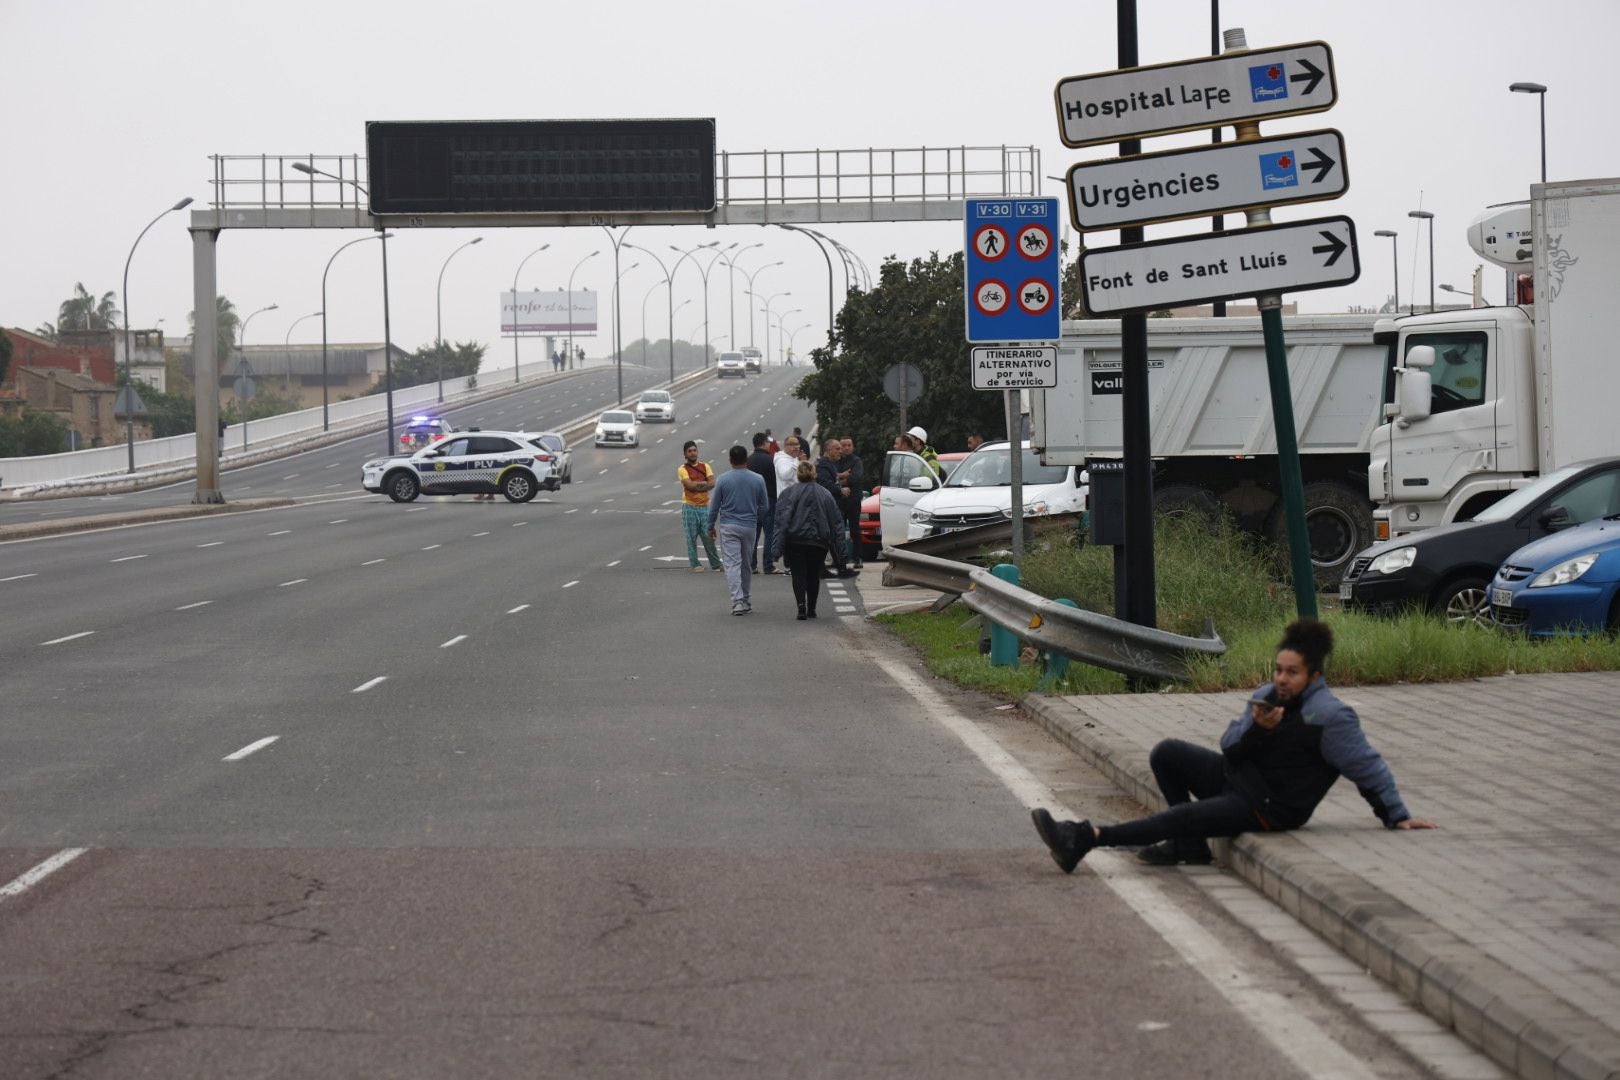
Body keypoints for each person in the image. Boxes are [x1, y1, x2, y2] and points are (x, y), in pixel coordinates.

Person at [1031, 618, 1437, 874]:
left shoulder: (1330, 717)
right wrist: (1259, 730)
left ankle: (1084, 838)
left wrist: (1396, 814)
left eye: (1292, 673)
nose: (1281, 679)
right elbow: (1230, 748)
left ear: (1314, 676)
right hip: (1238, 779)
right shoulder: (1267, 698)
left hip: (1268, 808)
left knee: (1187, 814)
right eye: (1279, 669)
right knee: (1166, 752)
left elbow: (1368, 767)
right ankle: (1189, 848)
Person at [773, 461, 846, 620]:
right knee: (813, 574)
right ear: (814, 474)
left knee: (798, 573)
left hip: (795, 540)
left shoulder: (788, 493)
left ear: (798, 474)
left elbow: (781, 521)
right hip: (819, 541)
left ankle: (801, 605)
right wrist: (841, 552)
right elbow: (836, 523)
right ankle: (812, 608)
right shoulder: (825, 494)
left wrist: (776, 549)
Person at [707, 444, 770, 615]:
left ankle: (737, 601)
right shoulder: (758, 479)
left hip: (729, 526)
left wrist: (710, 525)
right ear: (746, 459)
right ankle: (747, 599)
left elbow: (714, 506)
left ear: (730, 460)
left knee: (732, 564)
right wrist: (757, 518)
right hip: (749, 526)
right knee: (746, 564)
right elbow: (765, 505)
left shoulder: (723, 479)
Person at [678, 440, 721, 573]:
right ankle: (695, 563)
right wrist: (704, 484)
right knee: (691, 536)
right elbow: (689, 485)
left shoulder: (705, 466)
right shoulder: (682, 469)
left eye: (694, 450)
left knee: (708, 535)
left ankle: (716, 564)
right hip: (689, 506)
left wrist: (697, 485)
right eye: (689, 451)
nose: (692, 453)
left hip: (704, 506)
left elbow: (713, 483)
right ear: (685, 454)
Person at [814, 439, 855, 578]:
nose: (840, 451)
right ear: (828, 450)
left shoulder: (830, 464)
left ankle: (840, 567)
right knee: (832, 537)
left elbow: (831, 479)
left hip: (833, 506)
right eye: (837, 449)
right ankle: (835, 567)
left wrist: (840, 477)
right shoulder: (823, 465)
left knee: (832, 538)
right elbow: (825, 484)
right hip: (828, 507)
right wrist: (840, 490)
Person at [746, 432, 779, 575]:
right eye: (768, 442)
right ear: (763, 443)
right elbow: (774, 481)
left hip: (752, 502)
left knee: (754, 534)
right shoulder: (769, 460)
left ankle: (752, 565)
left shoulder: (749, 460)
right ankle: (768, 565)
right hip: (768, 501)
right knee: (769, 534)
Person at [839, 436, 865, 571]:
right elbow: (831, 478)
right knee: (838, 530)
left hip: (853, 500)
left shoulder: (856, 461)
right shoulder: (837, 461)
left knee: (855, 529)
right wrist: (844, 476)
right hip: (839, 500)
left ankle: (858, 557)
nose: (846, 448)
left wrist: (841, 479)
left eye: (849, 445)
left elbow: (856, 477)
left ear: (853, 447)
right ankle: (840, 558)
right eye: (844, 445)